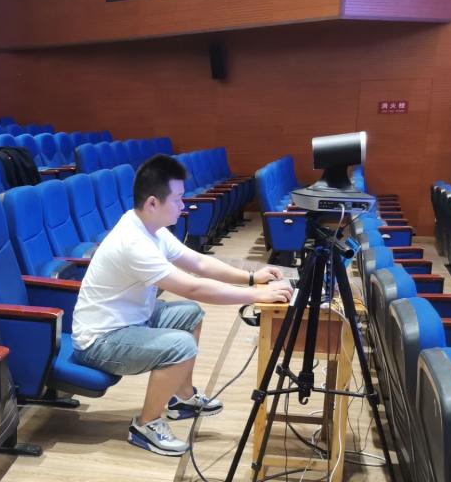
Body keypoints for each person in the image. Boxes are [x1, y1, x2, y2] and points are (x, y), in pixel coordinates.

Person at [72, 154, 294, 456]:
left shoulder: (150, 228)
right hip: (100, 340)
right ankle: (145, 425)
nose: (183, 205)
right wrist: (256, 295)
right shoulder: (133, 242)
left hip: (132, 318)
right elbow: (193, 286)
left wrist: (252, 278)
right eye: (177, 199)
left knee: (190, 314)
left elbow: (199, 263)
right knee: (181, 345)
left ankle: (182, 398)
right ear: (153, 203)